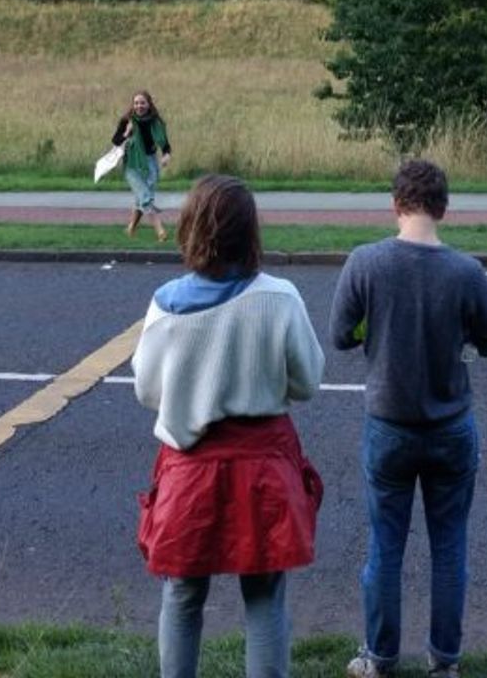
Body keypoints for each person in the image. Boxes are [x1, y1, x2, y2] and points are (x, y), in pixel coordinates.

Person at [132, 174, 327, 678]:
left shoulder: (165, 304)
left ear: (191, 228)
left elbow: (147, 391)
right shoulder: (279, 298)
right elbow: (307, 382)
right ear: (250, 232)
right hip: (263, 464)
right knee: (264, 596)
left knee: (182, 592)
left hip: (189, 468)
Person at [330, 159, 487, 678]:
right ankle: (444, 660)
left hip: (389, 426)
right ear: (444, 208)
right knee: (449, 546)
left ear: (395, 204)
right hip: (450, 426)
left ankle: (380, 657)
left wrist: (373, 336)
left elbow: (340, 334)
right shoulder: (467, 272)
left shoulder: (366, 262)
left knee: (386, 546)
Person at [113, 90, 172, 240]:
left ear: (149, 104)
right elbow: (116, 141)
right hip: (132, 164)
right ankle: (160, 230)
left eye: (142, 103)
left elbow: (165, 145)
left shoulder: (156, 122)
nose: (139, 106)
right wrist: (127, 132)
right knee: (146, 197)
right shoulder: (127, 121)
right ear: (133, 105)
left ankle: (130, 228)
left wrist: (166, 156)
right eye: (136, 103)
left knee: (142, 199)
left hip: (150, 161)